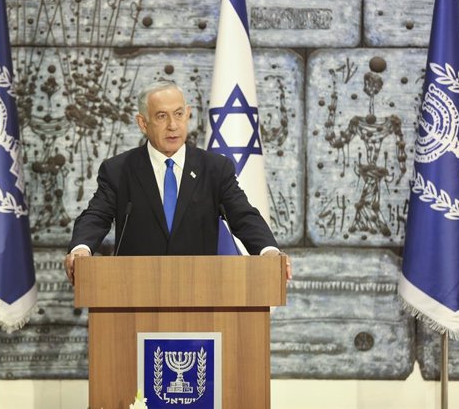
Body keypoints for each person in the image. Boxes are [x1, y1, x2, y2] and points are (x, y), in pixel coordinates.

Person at [64, 80, 291, 284]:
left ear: (188, 114)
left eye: (179, 114)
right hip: (136, 289)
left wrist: (268, 251)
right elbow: (96, 215)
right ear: (143, 123)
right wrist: (81, 249)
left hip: (201, 289)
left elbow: (243, 215)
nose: (173, 125)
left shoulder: (215, 169)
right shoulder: (119, 170)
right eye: (162, 116)